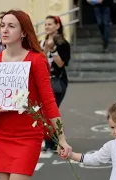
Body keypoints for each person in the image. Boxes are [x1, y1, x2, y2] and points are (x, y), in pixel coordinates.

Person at [0, 9, 72, 180]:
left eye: (11, 26)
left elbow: (49, 102)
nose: (5, 30)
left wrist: (61, 138)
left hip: (28, 136)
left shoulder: (37, 60)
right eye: (2, 26)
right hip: (0, 134)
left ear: (23, 32)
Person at [40, 15, 71, 152]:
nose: (47, 27)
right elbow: (39, 61)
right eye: (45, 24)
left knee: (51, 112)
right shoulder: (41, 42)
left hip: (57, 81)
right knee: (43, 113)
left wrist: (53, 50)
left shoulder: (63, 44)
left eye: (50, 24)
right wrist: (45, 49)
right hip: (43, 81)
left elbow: (61, 63)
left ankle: (53, 142)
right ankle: (50, 141)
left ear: (57, 26)